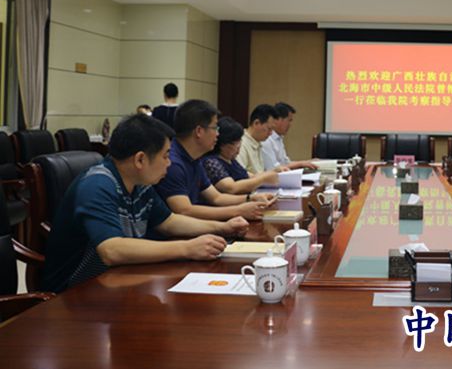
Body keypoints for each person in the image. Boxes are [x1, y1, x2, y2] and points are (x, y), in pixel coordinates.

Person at [42, 114, 249, 293]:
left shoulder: (139, 183)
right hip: (75, 292)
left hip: (117, 280)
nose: (169, 163)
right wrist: (187, 248)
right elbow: (112, 250)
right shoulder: (97, 184)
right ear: (140, 160)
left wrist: (223, 227)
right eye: (165, 156)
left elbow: (169, 222)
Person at [155, 99, 275, 221]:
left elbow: (216, 198)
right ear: (199, 131)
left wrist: (250, 198)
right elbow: (185, 210)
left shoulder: (194, 158)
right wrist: (238, 211)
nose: (218, 134)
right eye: (215, 128)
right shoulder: (173, 163)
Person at [203, 116, 281, 194]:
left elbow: (251, 176)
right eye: (235, 144)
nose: (238, 148)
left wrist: (273, 173)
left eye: (239, 141)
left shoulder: (231, 160)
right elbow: (231, 188)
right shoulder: (212, 162)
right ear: (222, 144)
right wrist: (262, 179)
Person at [261, 102, 317, 171]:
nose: (290, 124)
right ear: (278, 120)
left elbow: (286, 163)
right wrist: (302, 163)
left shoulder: (279, 138)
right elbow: (274, 168)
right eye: (289, 120)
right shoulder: (266, 139)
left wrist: (307, 162)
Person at [237, 104, 284, 175]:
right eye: (269, 129)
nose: (271, 133)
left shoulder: (257, 142)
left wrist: (274, 171)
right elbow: (240, 174)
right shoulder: (241, 144)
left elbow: (259, 172)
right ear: (256, 123)